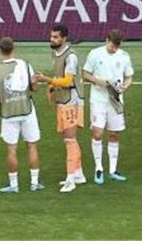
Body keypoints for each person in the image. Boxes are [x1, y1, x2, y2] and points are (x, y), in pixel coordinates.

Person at [0, 37, 44, 194]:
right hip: (27, 111)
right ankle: (34, 183)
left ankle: (14, 185)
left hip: (8, 114)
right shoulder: (25, 65)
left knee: (11, 149)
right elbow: (35, 87)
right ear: (14, 48)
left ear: (0, 50)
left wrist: (4, 96)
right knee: (32, 146)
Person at [33, 24, 85, 193]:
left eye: (56, 37)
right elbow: (59, 78)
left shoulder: (71, 57)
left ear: (64, 38)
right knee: (69, 139)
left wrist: (46, 80)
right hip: (63, 99)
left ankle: (71, 179)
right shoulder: (56, 53)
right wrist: (51, 88)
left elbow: (69, 81)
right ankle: (78, 173)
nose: (52, 39)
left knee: (70, 139)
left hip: (72, 100)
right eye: (51, 36)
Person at [82, 29, 133, 185]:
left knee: (114, 134)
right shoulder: (95, 54)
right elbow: (85, 74)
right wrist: (99, 82)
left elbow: (129, 76)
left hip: (115, 100)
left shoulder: (124, 56)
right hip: (98, 99)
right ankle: (99, 168)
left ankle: (113, 170)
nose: (114, 49)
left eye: (116, 46)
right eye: (112, 45)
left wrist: (125, 86)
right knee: (97, 132)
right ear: (106, 40)